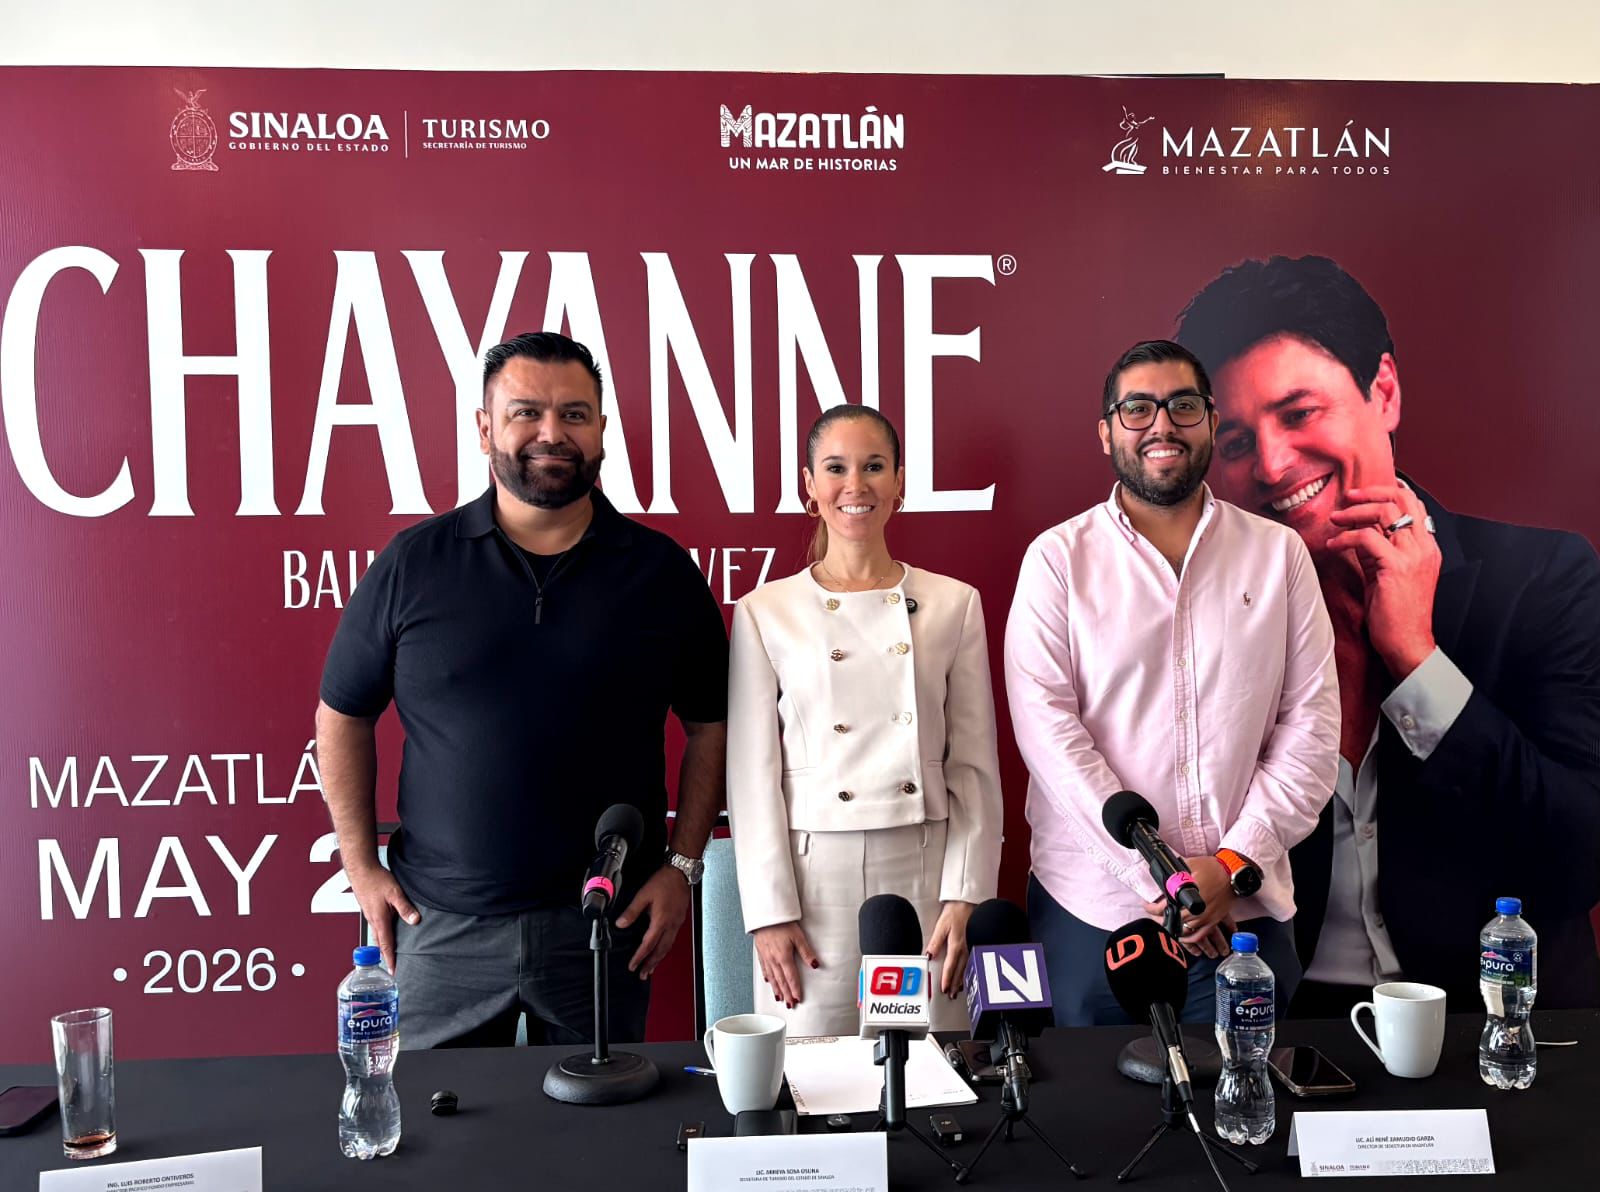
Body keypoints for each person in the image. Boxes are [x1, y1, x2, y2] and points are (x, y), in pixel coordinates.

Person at [1177, 255, 1600, 1013]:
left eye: (1299, 413)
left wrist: (1417, 659)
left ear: (1384, 392)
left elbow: (1579, 861)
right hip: (1282, 1026)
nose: (1272, 465)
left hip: (1494, 1025)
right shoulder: (1204, 620)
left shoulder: (1541, 579)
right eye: (1235, 444)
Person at [316, 331, 728, 1048]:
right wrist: (360, 865)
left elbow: (711, 727)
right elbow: (342, 715)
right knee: (433, 1119)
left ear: (602, 430)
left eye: (574, 414)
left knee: (604, 1121)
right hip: (439, 928)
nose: (551, 433)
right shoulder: (414, 564)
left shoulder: (660, 573)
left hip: (603, 928)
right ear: (485, 429)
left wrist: (682, 866)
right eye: (526, 412)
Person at [1005, 340, 1339, 1026]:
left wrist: (1229, 865)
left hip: (1243, 911)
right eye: (1137, 409)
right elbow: (1048, 734)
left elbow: (1311, 731)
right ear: (1107, 432)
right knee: (1092, 1097)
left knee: (1247, 1092)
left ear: (1211, 422)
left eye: (1183, 406)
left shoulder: (1278, 557)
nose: (1162, 425)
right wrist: (1164, 878)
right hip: (1096, 914)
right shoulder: (1058, 561)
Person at [727, 404, 1004, 1036]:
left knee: (928, 1067)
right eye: (836, 468)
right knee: (815, 1067)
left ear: (899, 481)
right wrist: (768, 912)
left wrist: (966, 894)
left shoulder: (954, 604)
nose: (856, 485)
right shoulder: (766, 611)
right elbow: (750, 777)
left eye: (874, 466)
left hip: (924, 874)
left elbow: (973, 767)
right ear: (809, 485)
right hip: (811, 887)